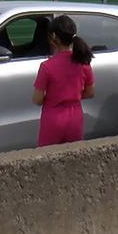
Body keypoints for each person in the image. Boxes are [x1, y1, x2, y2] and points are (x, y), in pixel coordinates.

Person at [32, 15, 95, 147]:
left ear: (53, 37)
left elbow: (37, 99)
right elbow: (90, 93)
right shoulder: (83, 63)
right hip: (75, 117)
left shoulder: (47, 66)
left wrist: (53, 98)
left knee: (47, 158)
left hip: (53, 118)